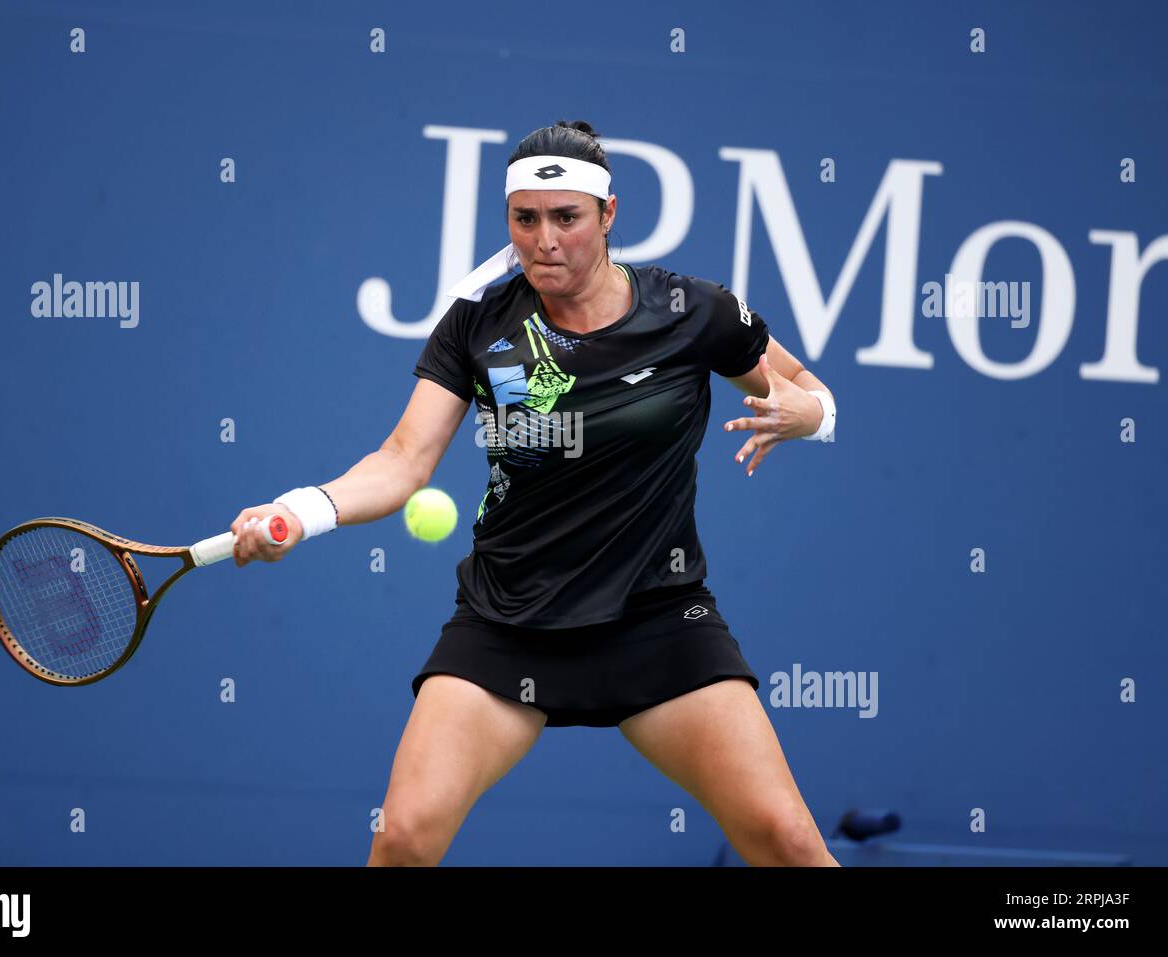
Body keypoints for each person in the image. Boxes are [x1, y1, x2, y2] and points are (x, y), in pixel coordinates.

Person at [229, 120, 840, 867]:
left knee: (788, 841)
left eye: (566, 218)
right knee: (404, 837)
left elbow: (807, 392)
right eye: (525, 218)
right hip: (506, 619)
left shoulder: (693, 310)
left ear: (608, 215)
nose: (544, 239)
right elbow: (401, 460)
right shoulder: (479, 321)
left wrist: (809, 415)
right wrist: (298, 510)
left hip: (656, 618)